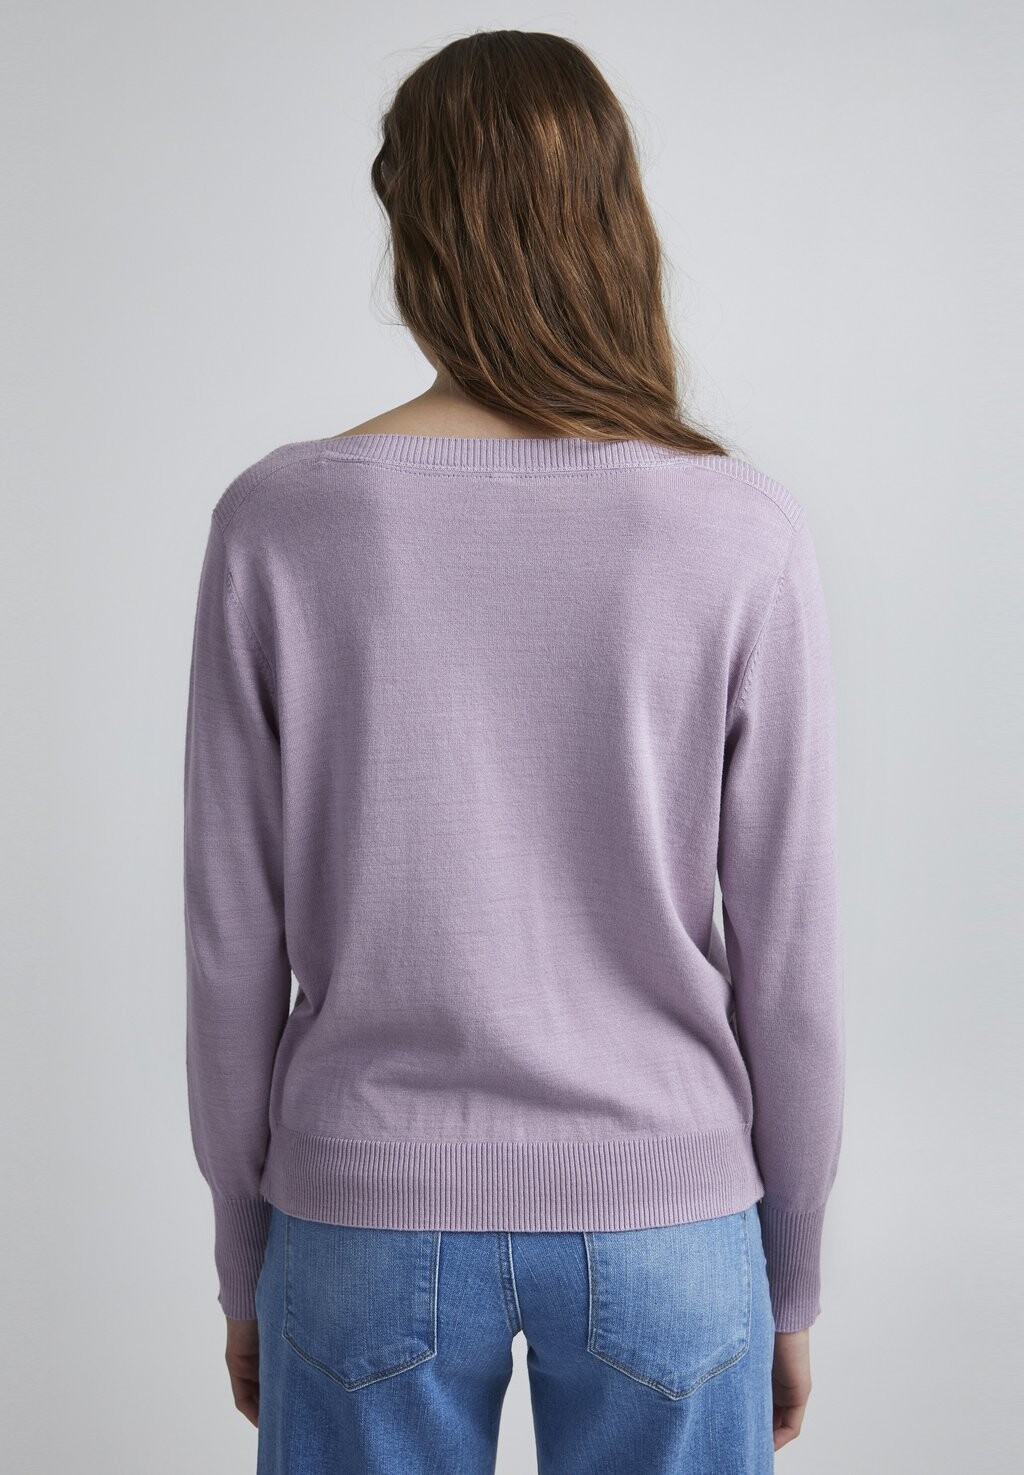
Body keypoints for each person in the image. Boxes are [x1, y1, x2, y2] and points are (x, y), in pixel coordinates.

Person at [183, 28, 845, 1474]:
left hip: (359, 1216)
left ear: (413, 229)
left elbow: (233, 943)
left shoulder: (280, 522)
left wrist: (248, 1258)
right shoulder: (737, 529)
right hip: (672, 1224)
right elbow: (790, 953)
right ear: (614, 220)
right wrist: (788, 1277)